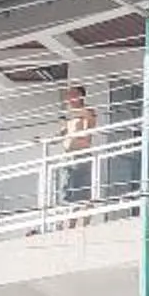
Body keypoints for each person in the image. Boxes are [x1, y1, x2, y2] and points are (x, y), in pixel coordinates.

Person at [57, 86, 99, 221]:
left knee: (81, 189)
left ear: (81, 96)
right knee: (66, 189)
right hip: (68, 156)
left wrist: (73, 111)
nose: (69, 98)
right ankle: (69, 220)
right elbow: (62, 133)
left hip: (81, 155)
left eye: (72, 95)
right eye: (68, 95)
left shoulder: (87, 112)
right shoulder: (69, 116)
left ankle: (84, 219)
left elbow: (89, 118)